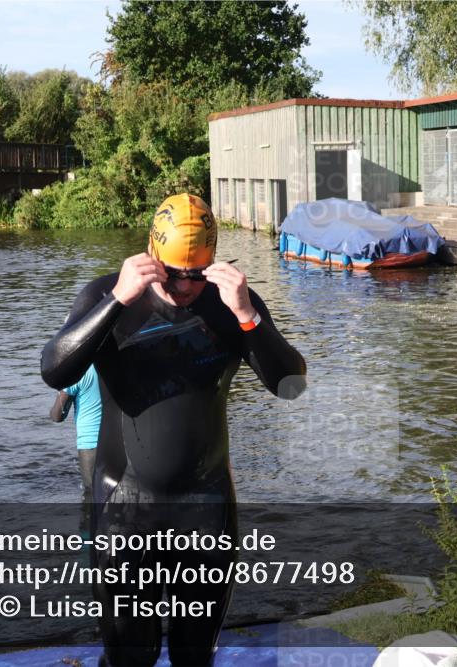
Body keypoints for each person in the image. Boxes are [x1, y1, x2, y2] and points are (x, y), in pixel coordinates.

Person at [40, 193, 306, 667]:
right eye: (173, 273)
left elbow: (290, 386)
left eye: (196, 274)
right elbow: (55, 370)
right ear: (151, 253)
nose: (185, 286)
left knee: (193, 655)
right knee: (128, 656)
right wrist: (118, 300)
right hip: (124, 506)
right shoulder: (108, 292)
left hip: (205, 507)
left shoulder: (231, 304)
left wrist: (248, 315)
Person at [49, 364, 101, 501]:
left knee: (92, 496)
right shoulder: (116, 364)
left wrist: (61, 390)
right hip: (118, 439)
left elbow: (57, 416)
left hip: (90, 443)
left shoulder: (77, 372)